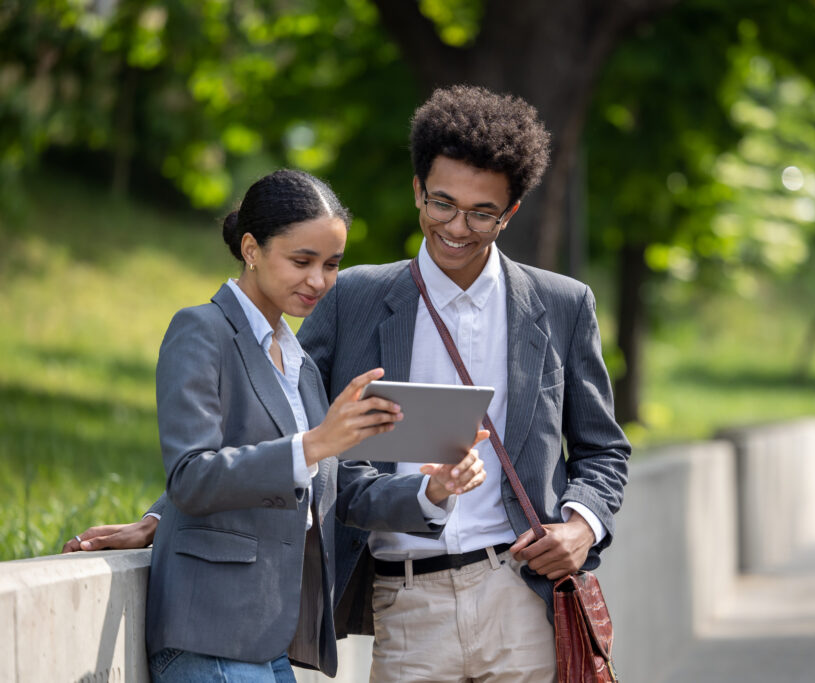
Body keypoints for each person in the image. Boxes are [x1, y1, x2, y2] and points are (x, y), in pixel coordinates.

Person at [68, 86, 630, 681]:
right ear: (417, 190)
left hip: (521, 595)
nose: (457, 227)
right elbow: (279, 411)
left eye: (481, 212)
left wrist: (581, 525)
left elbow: (603, 450)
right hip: (406, 603)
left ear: (510, 212)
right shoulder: (352, 296)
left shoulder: (563, 305)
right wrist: (163, 516)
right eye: (442, 204)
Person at [86, 168, 487, 683]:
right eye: (302, 261)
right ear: (251, 248)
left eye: (332, 264)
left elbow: (335, 490)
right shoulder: (202, 331)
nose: (318, 281)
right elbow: (190, 474)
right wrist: (317, 442)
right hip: (211, 629)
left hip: (273, 636)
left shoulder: (298, 364)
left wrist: (431, 491)